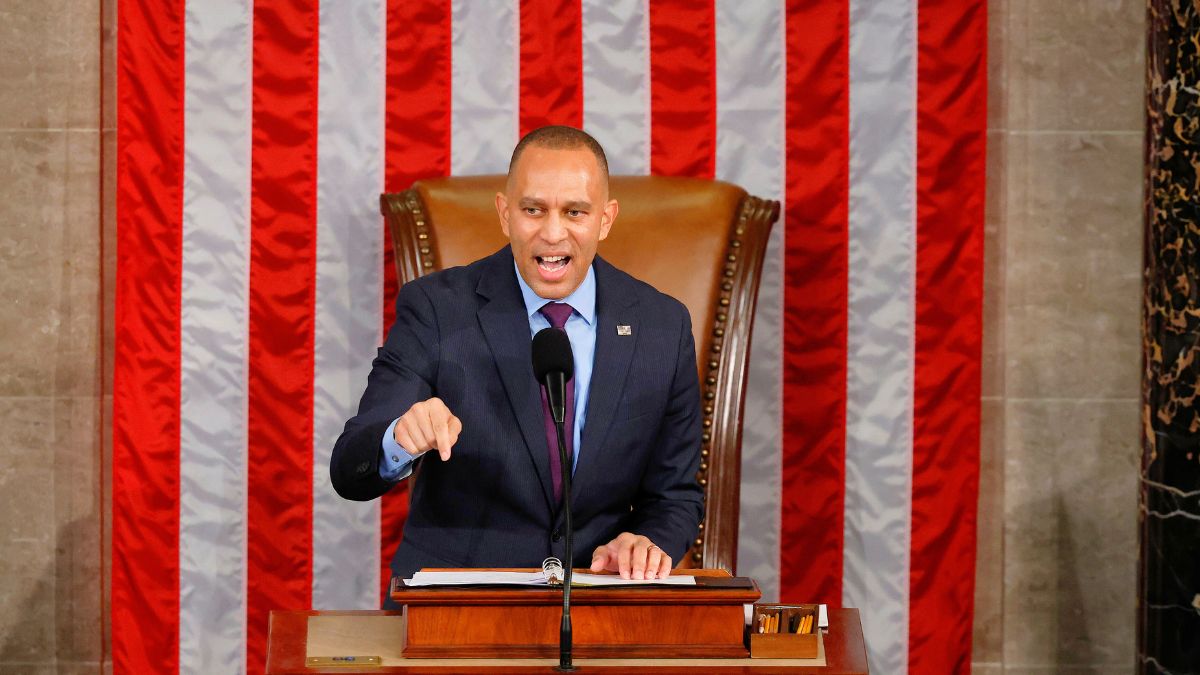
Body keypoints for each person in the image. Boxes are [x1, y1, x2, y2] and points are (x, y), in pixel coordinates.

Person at [330, 126, 703, 595]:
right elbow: (350, 469)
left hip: (599, 603)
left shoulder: (661, 326)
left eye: (574, 212)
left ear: (605, 220)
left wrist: (647, 540)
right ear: (505, 214)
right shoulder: (437, 309)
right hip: (457, 604)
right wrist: (398, 438)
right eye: (533, 210)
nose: (552, 233)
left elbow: (676, 495)